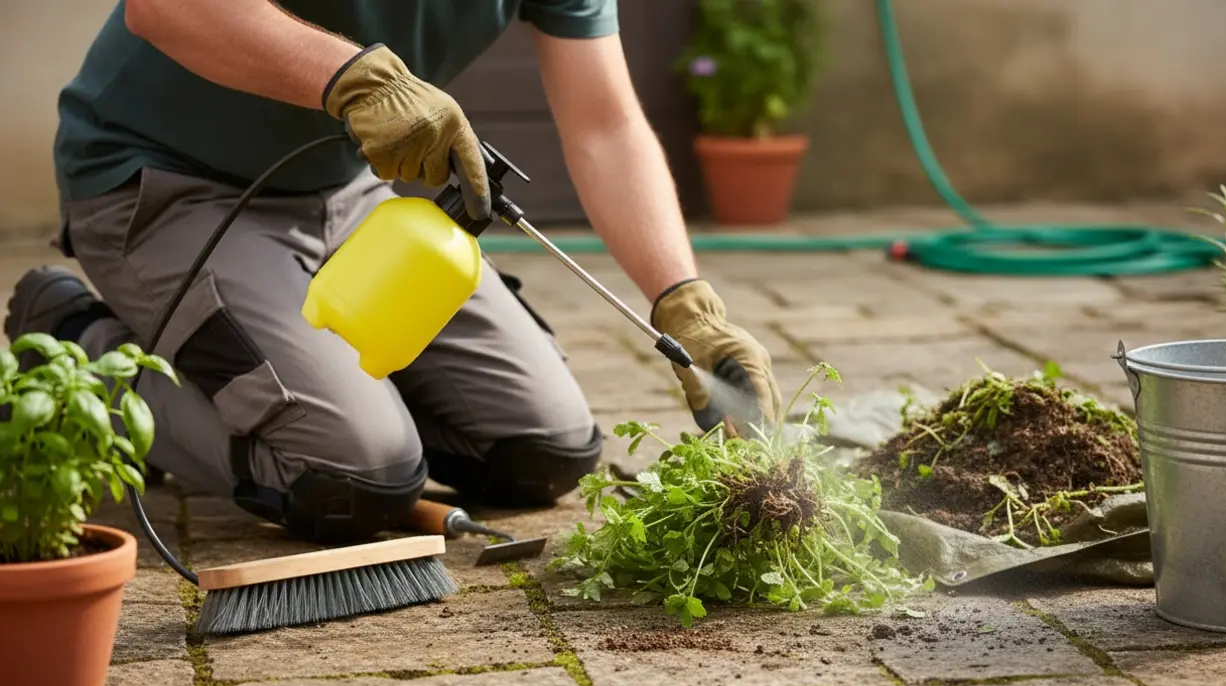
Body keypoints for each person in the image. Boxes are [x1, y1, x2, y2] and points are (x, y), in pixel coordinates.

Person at [8, 0, 781, 543]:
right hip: (161, 185)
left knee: (541, 452)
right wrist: (354, 79)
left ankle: (323, 381)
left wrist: (685, 304)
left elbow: (605, 125)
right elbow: (166, 6)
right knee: (349, 481)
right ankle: (76, 338)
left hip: (343, 196)